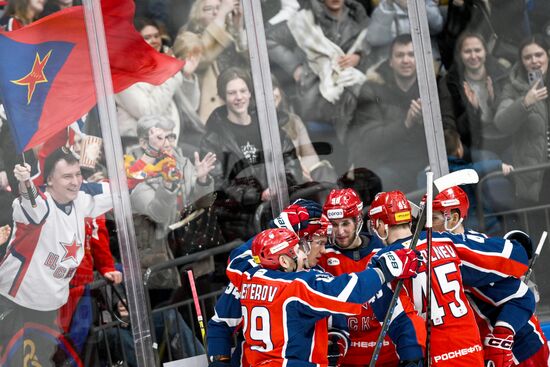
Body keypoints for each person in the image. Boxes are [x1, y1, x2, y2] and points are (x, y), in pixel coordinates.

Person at [367, 190, 529, 366]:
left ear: (381, 225)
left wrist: (410, 357)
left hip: (435, 354)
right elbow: (509, 256)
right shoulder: (446, 241)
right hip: (470, 349)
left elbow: (398, 318)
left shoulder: (381, 260)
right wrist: (521, 249)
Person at [226, 226, 421, 367]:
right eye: (297, 249)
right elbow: (347, 291)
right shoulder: (296, 286)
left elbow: (236, 257)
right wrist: (386, 269)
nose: (304, 253)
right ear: (285, 261)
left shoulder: (249, 278)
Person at [0, 147, 112, 362]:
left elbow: (120, 190)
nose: (75, 181)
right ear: (50, 179)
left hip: (49, 307)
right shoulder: (39, 202)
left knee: (40, 361)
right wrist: (25, 181)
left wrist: (154, 176)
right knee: (11, 361)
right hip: (13, 300)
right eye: (67, 176)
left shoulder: (81, 199)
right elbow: (32, 203)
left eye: (77, 174)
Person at [429, 186, 549, 367]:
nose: (427, 226)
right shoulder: (451, 247)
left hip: (521, 348)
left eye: (433, 218)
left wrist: (503, 335)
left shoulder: (468, 252)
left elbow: (522, 295)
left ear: (453, 218)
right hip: (488, 348)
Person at [207, 199, 331, 367]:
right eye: (319, 243)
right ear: (301, 241)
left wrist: (338, 337)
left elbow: (338, 319)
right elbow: (221, 323)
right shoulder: (252, 277)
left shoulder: (317, 275)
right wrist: (220, 360)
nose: (323, 251)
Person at [318, 188, 425, 367]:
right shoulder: (321, 255)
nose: (340, 231)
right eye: (334, 225)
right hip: (346, 356)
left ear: (358, 220)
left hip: (388, 352)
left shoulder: (383, 251)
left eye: (345, 223)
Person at [200, 66, 302, 241]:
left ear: (249, 94)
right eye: (232, 93)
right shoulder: (213, 138)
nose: (238, 97)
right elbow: (218, 184)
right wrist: (256, 195)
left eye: (242, 91)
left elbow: (291, 162)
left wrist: (281, 185)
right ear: (223, 97)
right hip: (240, 225)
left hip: (280, 210)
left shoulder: (268, 126)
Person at [266, 0, 370, 169]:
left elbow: (376, 46)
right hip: (317, 95)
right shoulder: (305, 19)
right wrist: (296, 68)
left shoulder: (358, 18)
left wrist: (359, 56)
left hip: (352, 88)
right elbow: (269, 40)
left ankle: (355, 171)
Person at [127, 115, 216, 296]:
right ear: (145, 144)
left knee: (206, 313)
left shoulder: (182, 163)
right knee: (173, 319)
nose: (168, 143)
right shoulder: (135, 174)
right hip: (162, 266)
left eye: (171, 137)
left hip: (191, 254)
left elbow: (203, 206)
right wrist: (168, 186)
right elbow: (158, 215)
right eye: (161, 138)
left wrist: (202, 181)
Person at [347, 34, 428, 193]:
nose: (406, 60)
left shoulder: (431, 87)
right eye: (400, 55)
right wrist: (406, 123)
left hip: (425, 163)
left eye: (411, 55)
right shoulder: (372, 89)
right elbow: (369, 139)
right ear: (390, 61)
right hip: (386, 163)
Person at [494, 35, 549, 206]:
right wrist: (525, 102)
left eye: (539, 55)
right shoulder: (513, 86)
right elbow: (501, 122)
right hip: (536, 173)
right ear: (522, 61)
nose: (534, 61)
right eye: (527, 57)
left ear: (548, 55)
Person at [115, 17, 184, 151]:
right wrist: (169, 74)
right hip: (139, 147)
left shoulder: (162, 65)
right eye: (147, 37)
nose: (154, 40)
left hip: (170, 142)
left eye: (156, 36)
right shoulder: (123, 73)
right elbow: (148, 112)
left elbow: (189, 106)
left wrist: (186, 75)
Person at [438, 32, 511, 157]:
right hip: (473, 146)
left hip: (506, 141)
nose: (473, 56)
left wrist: (494, 100)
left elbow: (511, 116)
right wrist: (473, 110)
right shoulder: (450, 83)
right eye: (467, 51)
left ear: (485, 52)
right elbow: (451, 126)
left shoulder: (502, 74)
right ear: (460, 55)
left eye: (477, 50)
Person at [180, 0, 248, 123]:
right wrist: (222, 14)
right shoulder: (187, 35)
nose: (216, 12)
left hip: (239, 101)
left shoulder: (229, 34)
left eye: (219, 8)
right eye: (208, 9)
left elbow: (252, 63)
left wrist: (238, 29)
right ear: (197, 15)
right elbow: (202, 57)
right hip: (214, 107)